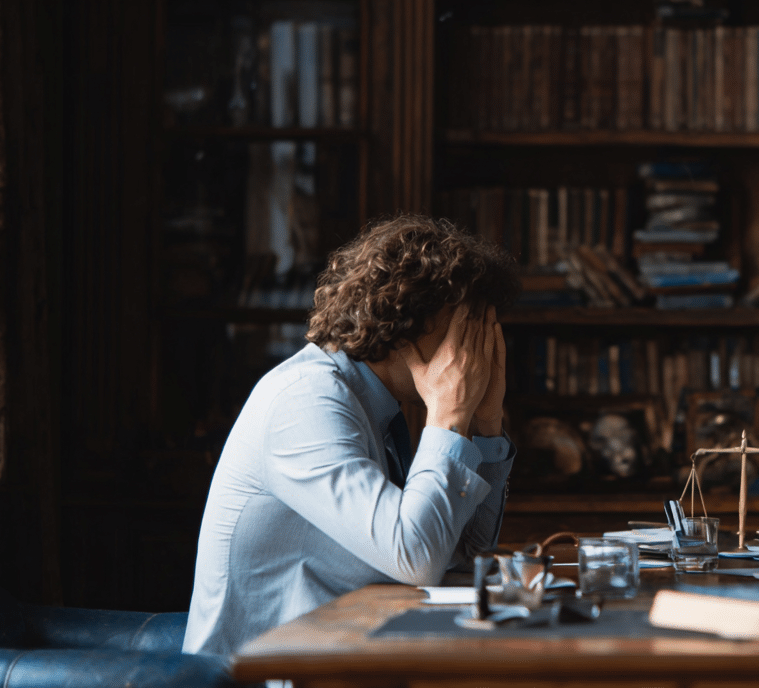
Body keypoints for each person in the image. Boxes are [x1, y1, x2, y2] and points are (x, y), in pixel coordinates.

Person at [184, 216, 520, 655]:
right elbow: (416, 555)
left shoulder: (374, 405)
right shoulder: (307, 400)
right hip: (259, 675)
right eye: (468, 328)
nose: (477, 351)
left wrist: (486, 425)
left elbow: (464, 554)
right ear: (409, 320)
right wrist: (451, 414)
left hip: (339, 656)